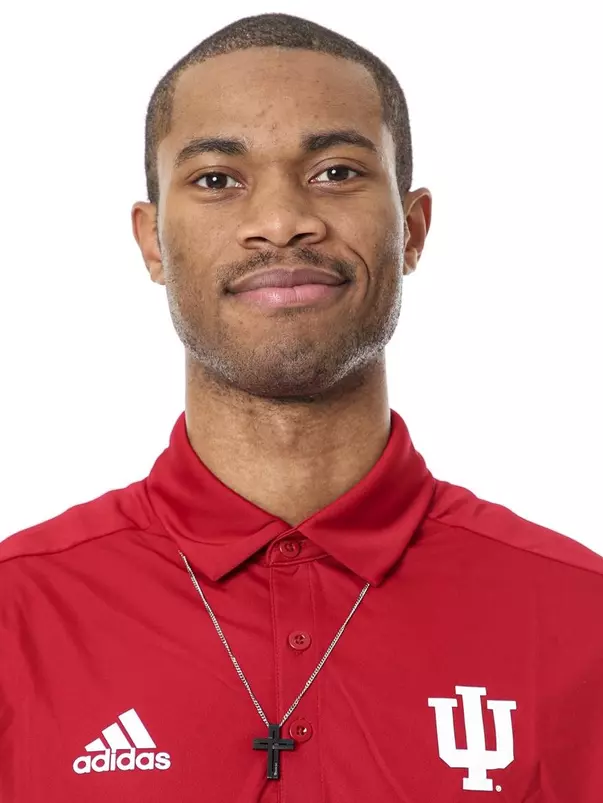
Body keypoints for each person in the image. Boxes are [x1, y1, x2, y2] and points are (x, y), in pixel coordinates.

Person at [1, 11, 602, 803]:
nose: (282, 221)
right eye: (218, 179)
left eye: (336, 172)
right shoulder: (17, 617)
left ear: (413, 229)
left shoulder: (580, 620)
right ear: (152, 243)